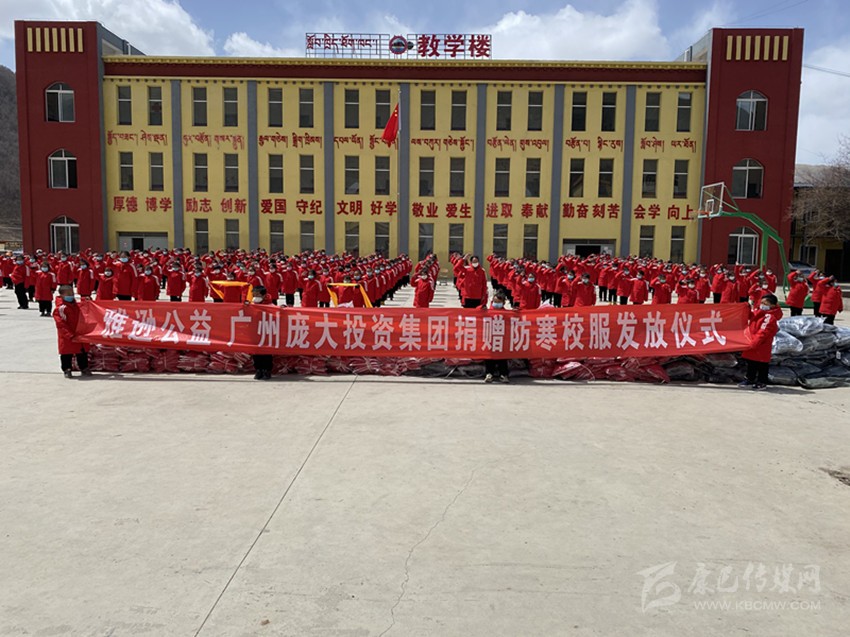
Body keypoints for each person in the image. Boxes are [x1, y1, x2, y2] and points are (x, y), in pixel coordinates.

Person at [739, 293, 782, 390]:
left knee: (762, 364)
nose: (762, 305)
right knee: (751, 362)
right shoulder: (758, 312)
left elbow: (763, 332)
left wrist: (754, 343)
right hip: (752, 341)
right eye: (761, 302)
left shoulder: (769, 317)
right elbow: (750, 315)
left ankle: (762, 382)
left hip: (762, 344)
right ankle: (750, 378)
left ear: (772, 305)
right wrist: (746, 308)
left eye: (765, 303)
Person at [53, 285, 92, 379]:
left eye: (72, 293)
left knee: (82, 352)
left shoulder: (75, 305)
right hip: (67, 336)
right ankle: (67, 369)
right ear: (62, 295)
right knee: (67, 354)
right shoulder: (61, 308)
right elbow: (61, 324)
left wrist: (87, 300)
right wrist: (69, 335)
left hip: (79, 333)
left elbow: (83, 306)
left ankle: (84, 367)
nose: (71, 295)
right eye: (68, 294)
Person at [484, 291, 511, 384]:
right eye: (495, 302)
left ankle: (503, 374)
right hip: (490, 339)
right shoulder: (488, 312)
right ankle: (489, 374)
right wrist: (480, 308)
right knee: (489, 357)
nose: (496, 304)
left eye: (499, 302)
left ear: (503, 303)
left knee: (502, 358)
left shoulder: (506, 313)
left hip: (501, 340)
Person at [250, 286, 274, 380]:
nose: (255, 296)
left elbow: (278, 314)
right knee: (256, 351)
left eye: (257, 294)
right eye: (254, 294)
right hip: (255, 331)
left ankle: (267, 370)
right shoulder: (252, 304)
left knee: (266, 351)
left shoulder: (270, 305)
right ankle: (258, 370)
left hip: (267, 331)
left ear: (263, 295)